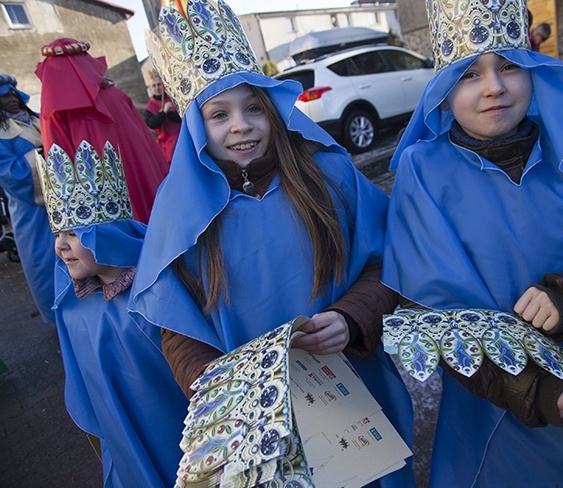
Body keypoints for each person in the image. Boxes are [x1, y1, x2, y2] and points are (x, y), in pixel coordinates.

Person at [129, 0, 415, 486]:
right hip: (259, 418)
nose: (240, 125)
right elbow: (176, 326)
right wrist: (215, 389)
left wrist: (352, 318)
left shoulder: (329, 176)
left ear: (275, 111)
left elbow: (388, 260)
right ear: (196, 126)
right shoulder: (179, 215)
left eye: (254, 107)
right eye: (219, 114)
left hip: (352, 388)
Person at [382, 0, 563, 486]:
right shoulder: (426, 174)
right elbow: (432, 314)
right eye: (469, 74)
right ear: (442, 92)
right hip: (491, 409)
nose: (495, 87)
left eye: (509, 65)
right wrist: (538, 391)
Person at [38, 137, 188, 487]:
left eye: (74, 234)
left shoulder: (158, 289)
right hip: (124, 441)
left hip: (176, 425)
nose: (61, 246)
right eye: (57, 233)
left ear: (107, 234)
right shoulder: (74, 310)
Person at [35, 38, 169, 224]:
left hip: (100, 204)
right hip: (144, 183)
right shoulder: (117, 95)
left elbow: (60, 172)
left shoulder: (52, 112)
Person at [0, 74, 55, 322]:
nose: (11, 98)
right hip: (31, 209)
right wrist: (47, 158)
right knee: (44, 260)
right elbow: (11, 174)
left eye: (13, 94)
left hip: (59, 199)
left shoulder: (33, 120)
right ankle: (56, 314)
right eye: (4, 96)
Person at [143, 70, 181, 164]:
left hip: (180, 137)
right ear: (151, 88)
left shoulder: (172, 98)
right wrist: (164, 112)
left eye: (159, 84)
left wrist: (168, 113)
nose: (157, 87)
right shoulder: (150, 106)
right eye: (154, 85)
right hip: (166, 144)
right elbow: (152, 123)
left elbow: (180, 116)